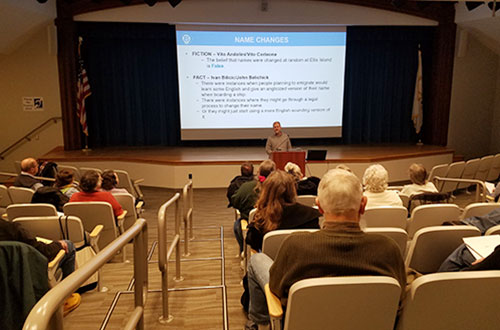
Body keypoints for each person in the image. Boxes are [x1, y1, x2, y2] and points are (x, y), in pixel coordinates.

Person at [245, 169, 406, 329]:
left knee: (256, 260)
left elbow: (275, 288)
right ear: (363, 205)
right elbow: (400, 299)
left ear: (319, 207)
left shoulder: (295, 246)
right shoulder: (389, 249)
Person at [245, 170, 320, 252]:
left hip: (271, 264)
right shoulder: (311, 215)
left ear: (266, 191)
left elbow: (252, 243)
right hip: (303, 263)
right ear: (293, 190)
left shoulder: (261, 219)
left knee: (255, 259)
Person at [0, 219, 75, 279]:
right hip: (26, 273)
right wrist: (59, 244)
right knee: (69, 245)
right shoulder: (11, 229)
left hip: (5, 277)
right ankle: (67, 293)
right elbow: (45, 252)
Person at [231, 160, 276, 253]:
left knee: (237, 225)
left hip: (256, 230)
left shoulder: (246, 187)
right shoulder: (282, 187)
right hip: (277, 227)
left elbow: (235, 202)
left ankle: (245, 252)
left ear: (259, 173)